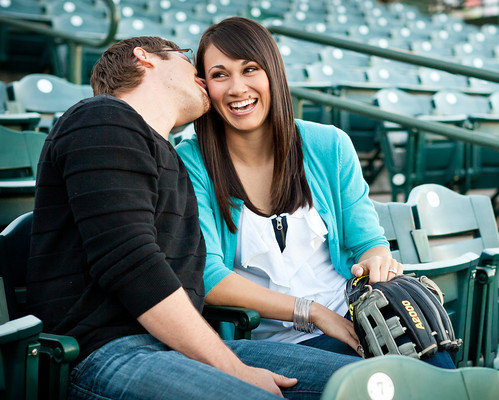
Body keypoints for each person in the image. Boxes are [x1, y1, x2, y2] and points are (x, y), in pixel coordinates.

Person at [26, 36, 361, 400]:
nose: (201, 76)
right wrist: (233, 370)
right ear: (146, 58)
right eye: (189, 61)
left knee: (371, 382)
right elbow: (133, 266)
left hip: (182, 348)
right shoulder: (101, 117)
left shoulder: (171, 161)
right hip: (107, 354)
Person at [177, 17, 453, 369]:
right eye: (220, 75)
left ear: (273, 74)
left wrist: (377, 259)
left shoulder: (329, 145)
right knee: (375, 385)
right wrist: (313, 313)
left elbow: (367, 240)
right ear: (205, 86)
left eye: (250, 69)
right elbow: (209, 276)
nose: (237, 88)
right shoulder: (190, 161)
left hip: (354, 320)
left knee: (437, 365)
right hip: (273, 341)